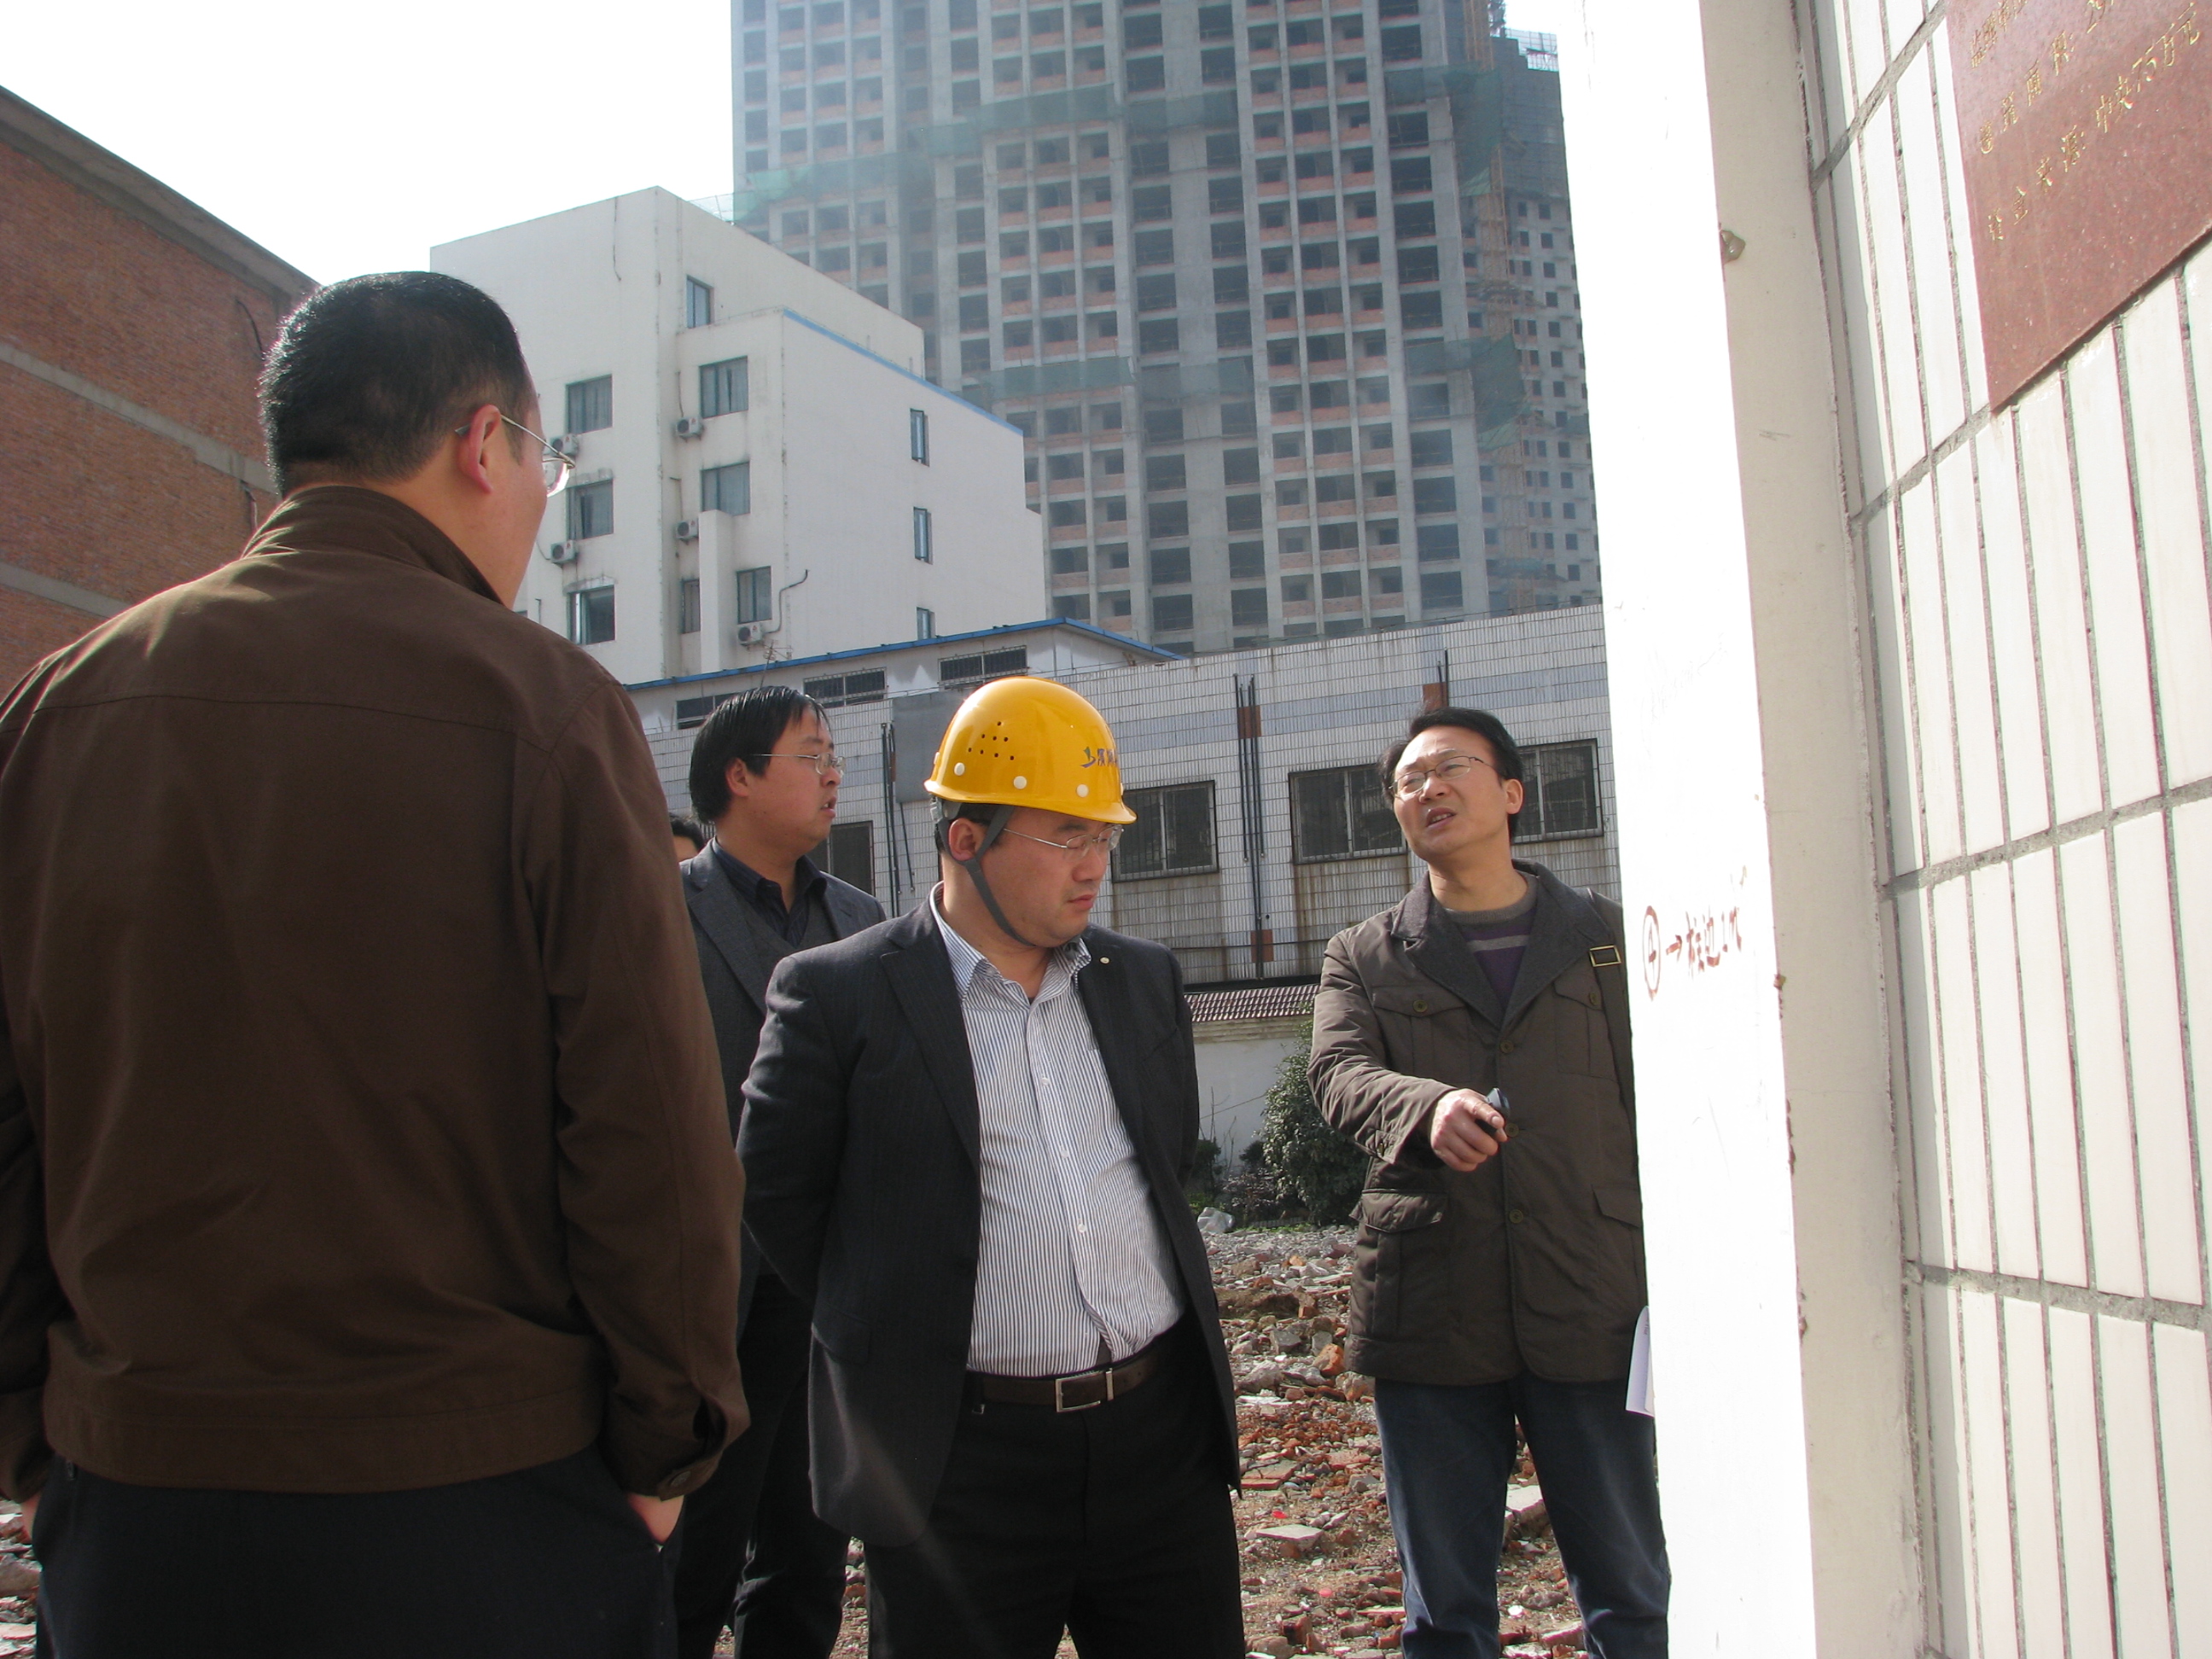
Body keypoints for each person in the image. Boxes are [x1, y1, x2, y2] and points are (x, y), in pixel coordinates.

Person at [0, 271, 746, 1659]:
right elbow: (648, 1124)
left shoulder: (59, 708)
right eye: (547, 461)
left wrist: (32, 1441)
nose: (538, 501)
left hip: (137, 1502)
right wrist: (668, 1446)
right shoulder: (541, 707)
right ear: (483, 444)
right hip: (478, 1500)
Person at [738, 677, 1244, 1659]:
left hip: (1158, 1447)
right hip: (959, 1467)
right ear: (966, 839)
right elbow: (779, 1200)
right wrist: (898, 1318)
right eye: (1066, 837)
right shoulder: (840, 997)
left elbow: (1165, 1157)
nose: (1094, 866)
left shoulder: (1140, 980)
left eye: (1104, 837)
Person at [1307, 707, 1667, 1659]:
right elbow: (1337, 1074)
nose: (1429, 789)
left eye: (1452, 768)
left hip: (1590, 1292)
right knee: (1444, 1611)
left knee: (1629, 1590)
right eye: (1409, 781)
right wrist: (1424, 1109)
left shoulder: (1603, 938)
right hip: (1433, 1304)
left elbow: (1661, 1096)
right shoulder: (1366, 953)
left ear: (1511, 792)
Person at [672, 686, 883, 1659]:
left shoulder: (862, 921)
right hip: (710, 1282)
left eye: (834, 754)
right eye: (812, 755)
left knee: (807, 1545)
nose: (834, 773)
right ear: (740, 776)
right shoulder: (663, 911)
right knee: (697, 1543)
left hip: (825, 1281)